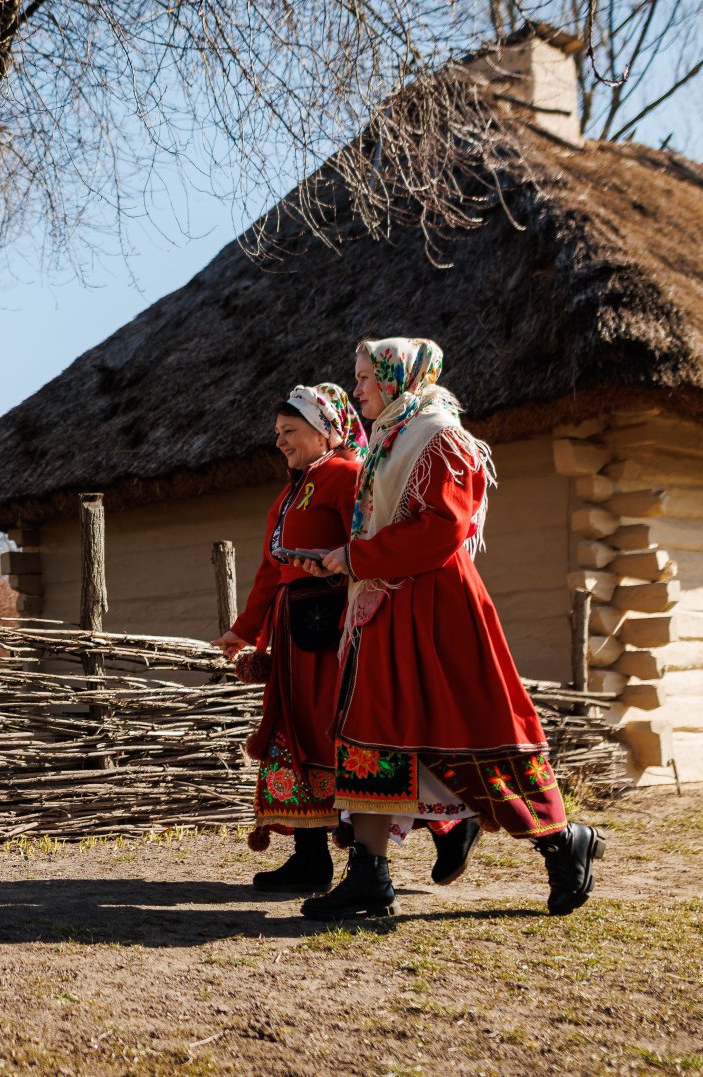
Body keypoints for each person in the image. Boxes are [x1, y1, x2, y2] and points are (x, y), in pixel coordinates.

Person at [298, 338, 603, 920]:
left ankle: (563, 842)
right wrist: (346, 558)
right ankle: (369, 874)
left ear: (396, 376)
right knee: (370, 734)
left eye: (365, 377)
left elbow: (444, 529)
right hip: (384, 606)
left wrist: (357, 559)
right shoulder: (388, 440)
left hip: (439, 607)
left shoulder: (441, 437)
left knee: (472, 728)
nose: (357, 388)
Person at [211, 385, 363, 892]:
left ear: (325, 432)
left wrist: (332, 573)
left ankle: (417, 839)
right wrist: (244, 629)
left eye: (290, 431)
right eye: (277, 433)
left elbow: (364, 548)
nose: (280, 441)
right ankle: (309, 858)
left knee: (332, 735)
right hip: (293, 632)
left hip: (332, 629)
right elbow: (268, 570)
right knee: (291, 733)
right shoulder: (292, 492)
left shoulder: (345, 476)